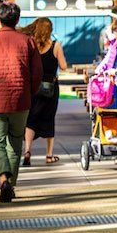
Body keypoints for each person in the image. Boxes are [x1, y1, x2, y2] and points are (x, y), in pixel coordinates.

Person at [0, 2, 41, 203]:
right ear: (17, 20)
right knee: (15, 142)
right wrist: (29, 92)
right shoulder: (28, 42)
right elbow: (36, 74)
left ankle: (3, 179)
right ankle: (10, 184)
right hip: (20, 98)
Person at [19, 18, 68, 165]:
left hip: (33, 87)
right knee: (49, 118)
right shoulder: (56, 45)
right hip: (50, 89)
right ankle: (49, 155)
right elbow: (64, 66)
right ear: (50, 30)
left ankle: (27, 151)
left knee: (31, 119)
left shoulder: (31, 45)